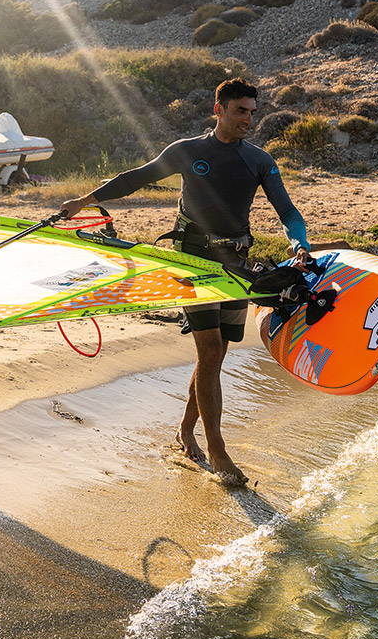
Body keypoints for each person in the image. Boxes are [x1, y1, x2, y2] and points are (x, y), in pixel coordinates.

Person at [61, 78, 311, 487]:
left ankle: (184, 429)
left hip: (235, 264)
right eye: (240, 111)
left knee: (215, 356)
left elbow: (287, 211)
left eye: (252, 112)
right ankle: (217, 449)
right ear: (218, 109)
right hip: (192, 261)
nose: (248, 120)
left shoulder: (259, 160)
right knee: (209, 351)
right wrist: (84, 202)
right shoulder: (188, 151)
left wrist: (299, 243)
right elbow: (134, 178)